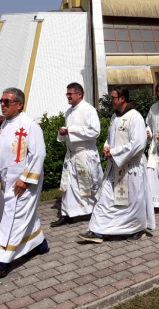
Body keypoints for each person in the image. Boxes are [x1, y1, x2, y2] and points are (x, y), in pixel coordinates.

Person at [0, 88, 48, 278]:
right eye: (1, 101)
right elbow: (5, 148)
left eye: (7, 102)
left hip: (24, 182)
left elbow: (38, 154)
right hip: (9, 179)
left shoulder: (30, 125)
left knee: (13, 218)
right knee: (24, 215)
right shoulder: (5, 123)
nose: (2, 104)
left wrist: (25, 180)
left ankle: (0, 262)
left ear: (19, 104)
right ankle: (40, 244)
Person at [78, 86, 155, 243]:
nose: (111, 100)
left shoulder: (135, 117)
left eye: (113, 98)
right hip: (115, 167)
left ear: (122, 99)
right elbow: (110, 137)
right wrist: (107, 147)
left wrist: (115, 152)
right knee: (104, 199)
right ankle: (96, 231)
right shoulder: (115, 117)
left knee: (133, 202)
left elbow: (139, 144)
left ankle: (137, 229)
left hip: (131, 168)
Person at [52, 83, 103, 227]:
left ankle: (98, 210)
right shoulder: (68, 112)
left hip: (85, 154)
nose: (67, 96)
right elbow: (68, 132)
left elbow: (95, 131)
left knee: (91, 184)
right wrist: (63, 132)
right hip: (72, 155)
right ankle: (66, 213)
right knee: (68, 185)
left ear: (79, 94)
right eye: (67, 94)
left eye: (70, 94)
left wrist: (71, 130)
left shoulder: (89, 110)